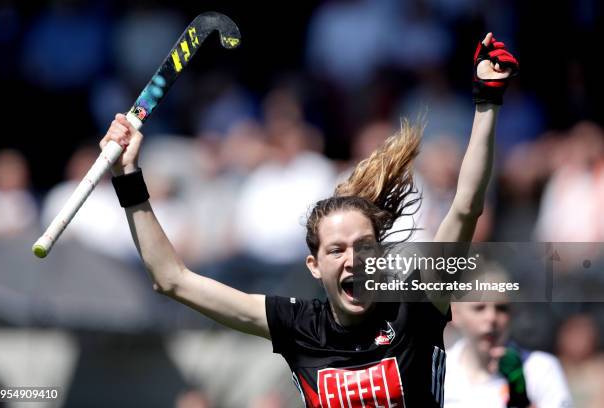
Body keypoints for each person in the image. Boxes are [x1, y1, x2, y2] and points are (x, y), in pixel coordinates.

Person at [99, 33, 517, 407]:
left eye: (363, 247)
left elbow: (465, 206)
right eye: (336, 250)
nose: (353, 260)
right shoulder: (298, 326)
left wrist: (487, 101)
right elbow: (171, 279)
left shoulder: (416, 307)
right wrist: (128, 176)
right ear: (314, 265)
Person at [445, 299, 573, 408]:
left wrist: (519, 394)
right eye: (479, 308)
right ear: (454, 313)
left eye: (501, 308)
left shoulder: (539, 368)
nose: (491, 317)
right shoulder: (437, 368)